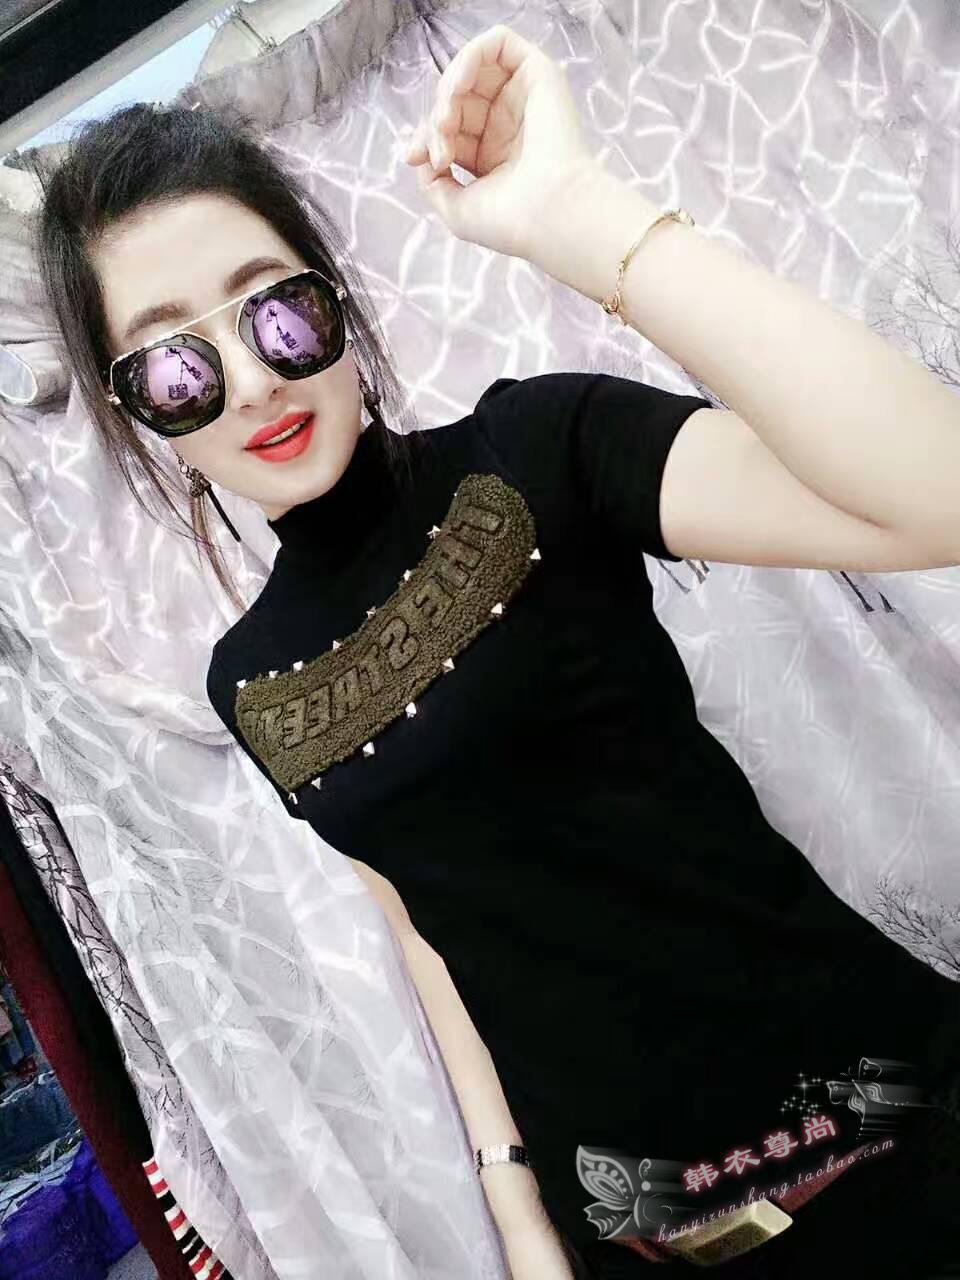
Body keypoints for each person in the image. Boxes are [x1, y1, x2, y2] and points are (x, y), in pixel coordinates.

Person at [33, 21, 960, 1280]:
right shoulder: (251, 684)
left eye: (276, 311)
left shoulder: (536, 449)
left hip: (899, 1147)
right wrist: (518, 1212)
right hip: (646, 1237)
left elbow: (937, 494)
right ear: (139, 413)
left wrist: (577, 217)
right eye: (176, 364)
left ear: (335, 300)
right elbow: (434, 928)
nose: (251, 381)